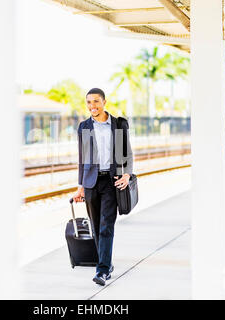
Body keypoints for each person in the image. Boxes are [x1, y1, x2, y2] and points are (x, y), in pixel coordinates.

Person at [72, 88, 133, 286]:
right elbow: (82, 159)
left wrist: (127, 173)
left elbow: (127, 152)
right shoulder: (84, 127)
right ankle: (105, 262)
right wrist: (80, 186)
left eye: (96, 102)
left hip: (110, 181)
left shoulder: (117, 124)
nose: (92, 106)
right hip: (91, 182)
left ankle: (103, 270)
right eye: (89, 102)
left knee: (107, 225)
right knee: (96, 225)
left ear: (104, 102)